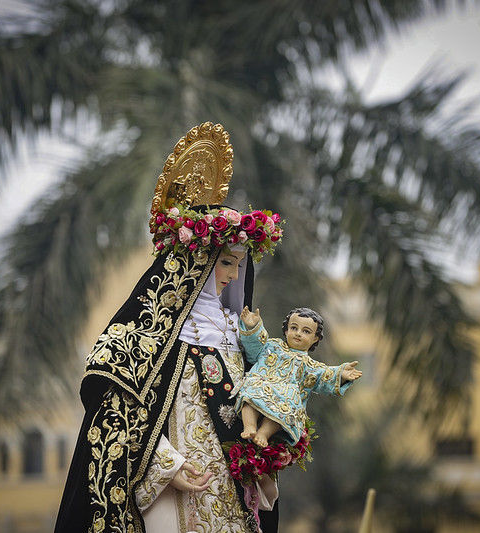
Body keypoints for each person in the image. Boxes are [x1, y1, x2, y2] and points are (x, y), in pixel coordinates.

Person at [53, 122, 284, 533]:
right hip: (171, 492)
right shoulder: (145, 333)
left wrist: (268, 449)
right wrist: (166, 467)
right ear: (197, 262)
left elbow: (263, 400)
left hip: (231, 495)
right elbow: (113, 412)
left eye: (238, 264)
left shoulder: (240, 332)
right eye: (224, 262)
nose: (232, 275)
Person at [235, 307, 362, 448]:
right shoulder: (272, 346)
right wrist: (253, 327)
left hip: (284, 400)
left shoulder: (311, 366)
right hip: (260, 386)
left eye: (306, 331)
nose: (298, 334)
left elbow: (325, 376)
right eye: (294, 328)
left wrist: (341, 374)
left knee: (286, 409)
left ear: (315, 338)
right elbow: (255, 347)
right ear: (286, 330)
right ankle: (250, 426)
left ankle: (264, 433)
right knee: (249, 393)